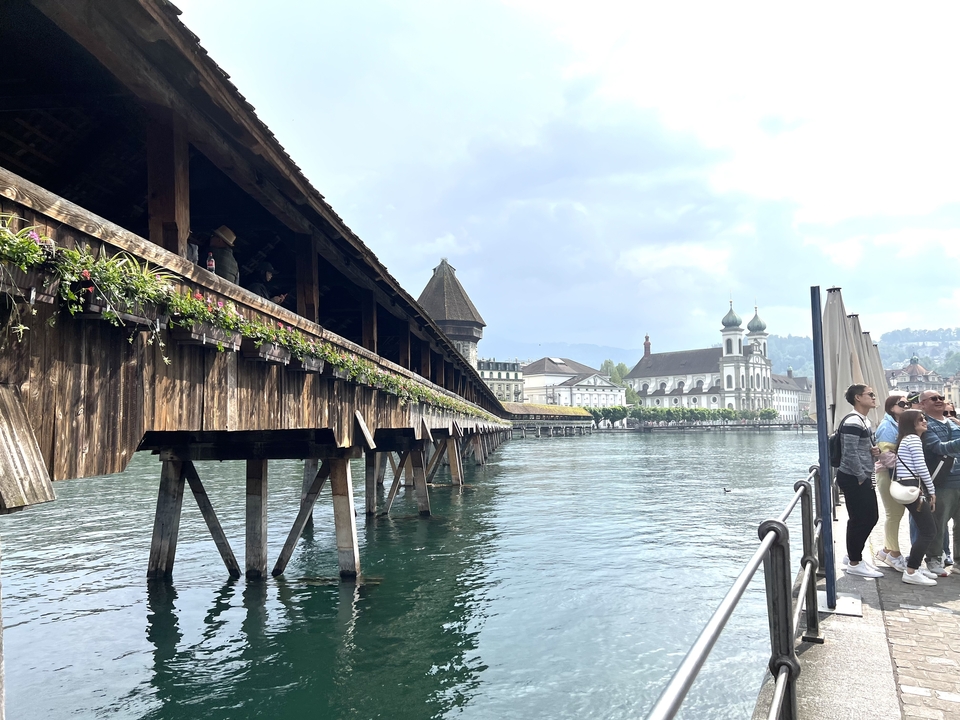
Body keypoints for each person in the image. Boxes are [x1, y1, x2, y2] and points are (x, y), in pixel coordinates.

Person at [837, 384, 883, 578]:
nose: (874, 397)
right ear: (858, 398)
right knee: (864, 518)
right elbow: (849, 453)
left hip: (860, 475)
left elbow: (860, 448)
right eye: (870, 394)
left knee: (867, 517)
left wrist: (873, 452)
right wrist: (861, 477)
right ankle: (855, 562)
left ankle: (853, 555)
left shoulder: (865, 421)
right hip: (854, 477)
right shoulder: (853, 422)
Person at [893, 410, 939, 585]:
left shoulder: (907, 439)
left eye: (925, 418)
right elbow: (921, 467)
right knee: (929, 530)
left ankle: (915, 566)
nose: (925, 421)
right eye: (921, 419)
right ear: (911, 423)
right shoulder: (913, 439)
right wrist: (932, 490)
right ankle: (911, 570)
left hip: (908, 485)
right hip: (912, 486)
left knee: (925, 528)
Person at [919, 390, 960, 576]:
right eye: (933, 399)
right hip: (941, 482)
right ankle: (934, 558)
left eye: (941, 398)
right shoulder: (926, 427)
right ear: (923, 404)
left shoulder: (953, 423)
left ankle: (958, 562)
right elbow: (937, 448)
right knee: (938, 524)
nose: (939, 401)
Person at [874, 395, 910, 571]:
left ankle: (886, 550)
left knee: (895, 513)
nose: (906, 406)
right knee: (894, 514)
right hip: (888, 474)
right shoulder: (887, 426)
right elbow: (886, 455)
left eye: (908, 404)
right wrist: (909, 466)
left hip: (894, 473)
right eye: (902, 404)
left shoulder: (897, 424)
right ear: (891, 407)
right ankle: (894, 554)